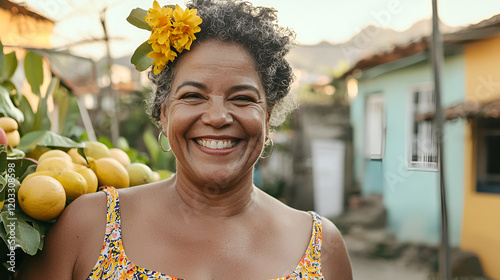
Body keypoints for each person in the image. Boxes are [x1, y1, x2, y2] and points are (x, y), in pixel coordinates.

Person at [20, 0, 352, 279]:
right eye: (193, 95)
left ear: (268, 116)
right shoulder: (88, 227)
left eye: (242, 98)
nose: (218, 117)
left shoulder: (321, 247)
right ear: (163, 113)